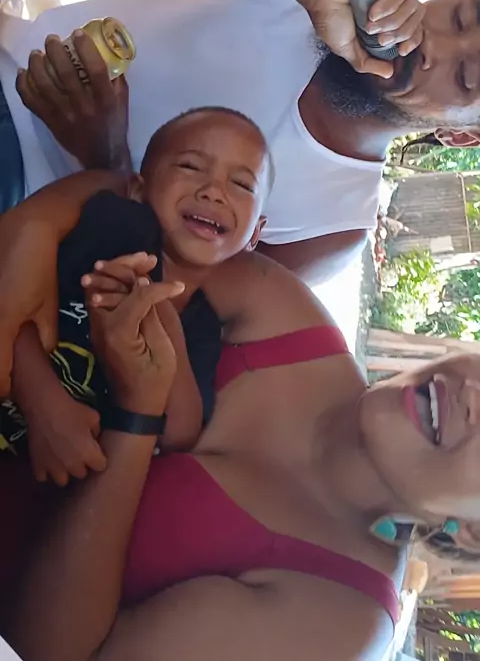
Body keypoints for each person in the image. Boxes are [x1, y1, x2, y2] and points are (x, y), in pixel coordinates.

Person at [4, 247, 480, 661]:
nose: (474, 396)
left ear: (473, 534)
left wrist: (139, 416)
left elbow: (43, 651)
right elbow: (98, 229)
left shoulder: (339, 623)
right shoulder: (281, 312)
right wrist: (30, 376)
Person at [0, 0, 426, 287]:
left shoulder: (334, 229)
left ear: (461, 134)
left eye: (464, 77)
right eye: (461, 16)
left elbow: (164, 309)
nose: (435, 46)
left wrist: (104, 161)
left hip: (19, 223)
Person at [0, 106, 272, 483]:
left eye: (241, 185)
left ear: (255, 234)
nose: (213, 192)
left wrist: (160, 314)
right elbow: (15, 295)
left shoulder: (202, 324)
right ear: (138, 189)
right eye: (190, 167)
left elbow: (180, 431)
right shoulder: (116, 229)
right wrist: (42, 402)